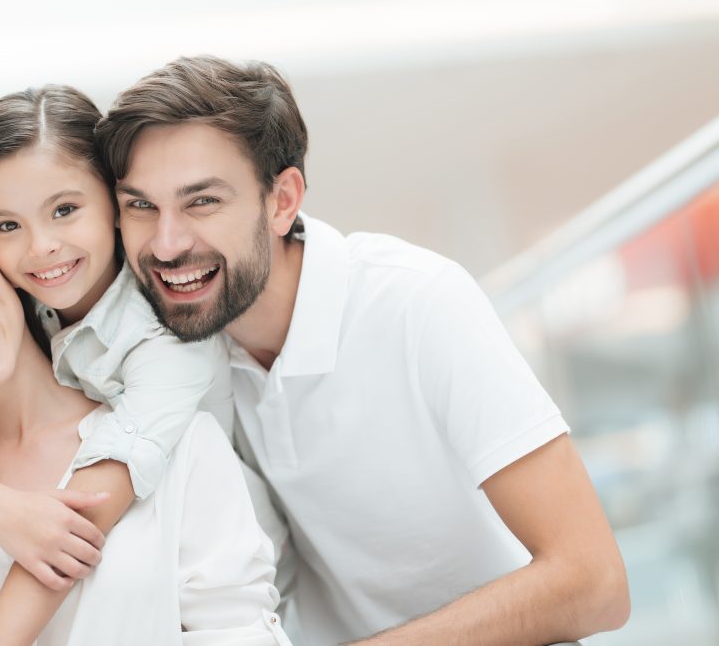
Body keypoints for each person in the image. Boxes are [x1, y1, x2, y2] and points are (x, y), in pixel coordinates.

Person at [88, 55, 632, 645]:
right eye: (140, 205)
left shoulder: (416, 301)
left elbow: (596, 582)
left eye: (202, 202)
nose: (166, 245)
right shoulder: (172, 342)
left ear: (282, 201)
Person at [0, 86, 290, 636]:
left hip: (245, 572)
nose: (42, 247)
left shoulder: (169, 345)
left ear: (114, 202)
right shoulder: (31, 299)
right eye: (7, 225)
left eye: (64, 209)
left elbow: (70, 526)